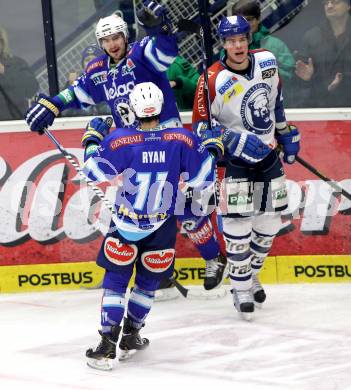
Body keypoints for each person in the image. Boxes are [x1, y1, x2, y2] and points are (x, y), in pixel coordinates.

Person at [24, 0, 227, 293]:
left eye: (116, 37)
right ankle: (155, 268)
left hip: (167, 140)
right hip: (132, 148)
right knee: (134, 210)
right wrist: (54, 105)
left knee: (185, 208)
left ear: (125, 36)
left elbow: (166, 51)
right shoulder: (99, 70)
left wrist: (160, 29)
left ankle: (212, 257)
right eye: (105, 40)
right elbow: (77, 92)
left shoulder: (142, 53)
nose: (112, 43)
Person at [82, 82, 222, 370]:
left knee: (116, 283)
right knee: (146, 285)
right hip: (162, 225)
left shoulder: (120, 139)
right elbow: (203, 178)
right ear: (160, 107)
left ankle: (108, 344)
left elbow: (93, 170)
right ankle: (131, 335)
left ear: (133, 109)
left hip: (125, 224)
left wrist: (92, 138)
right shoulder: (181, 138)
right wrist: (211, 148)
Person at [192, 15, 301, 320]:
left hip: (267, 158)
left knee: (268, 226)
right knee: (238, 230)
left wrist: (285, 132)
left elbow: (275, 102)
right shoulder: (211, 79)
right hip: (234, 163)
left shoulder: (267, 62)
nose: (237, 45)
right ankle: (240, 288)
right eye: (230, 41)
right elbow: (200, 130)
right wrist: (231, 140)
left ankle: (251, 274)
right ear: (223, 44)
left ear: (249, 38)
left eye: (241, 39)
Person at [231, 0, 296, 105]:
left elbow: (290, 75)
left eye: (249, 20)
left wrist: (262, 74)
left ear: (258, 19)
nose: (245, 25)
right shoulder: (228, 50)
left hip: (274, 105)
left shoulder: (275, 45)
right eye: (241, 20)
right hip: (241, 108)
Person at [295, 0, 351, 107]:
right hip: (322, 108)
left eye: (335, 2)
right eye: (326, 3)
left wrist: (343, 84)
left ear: (348, 5)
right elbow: (300, 86)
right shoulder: (311, 37)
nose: (329, 6)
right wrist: (306, 79)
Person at [0, 26, 38, 120]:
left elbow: (31, 88)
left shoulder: (16, 63)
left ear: (2, 42)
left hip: (12, 124)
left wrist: (5, 72)